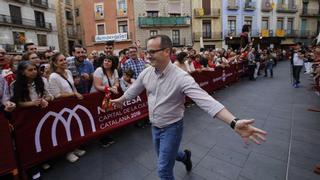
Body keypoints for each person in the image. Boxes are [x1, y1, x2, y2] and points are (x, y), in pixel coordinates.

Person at [111, 35, 267, 180]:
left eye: (152, 51)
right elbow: (134, 89)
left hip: (172, 128)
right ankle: (185, 157)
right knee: (167, 157)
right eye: (146, 51)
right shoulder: (146, 73)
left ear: (166, 52)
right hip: (155, 127)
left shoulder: (181, 77)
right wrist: (121, 100)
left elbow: (206, 100)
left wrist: (234, 122)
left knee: (163, 170)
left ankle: (182, 158)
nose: (147, 55)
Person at [11, 61, 53, 180]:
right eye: (30, 70)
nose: (34, 71)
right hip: (25, 118)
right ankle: (32, 166)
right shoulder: (15, 85)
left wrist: (46, 99)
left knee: (42, 138)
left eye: (35, 69)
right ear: (22, 72)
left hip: (41, 115)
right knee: (28, 141)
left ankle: (43, 160)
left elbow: (49, 95)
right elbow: (17, 103)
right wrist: (32, 103)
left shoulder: (42, 81)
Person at [48, 52, 86, 163]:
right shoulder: (53, 76)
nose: (64, 61)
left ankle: (74, 148)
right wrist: (74, 94)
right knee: (64, 129)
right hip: (61, 106)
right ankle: (67, 152)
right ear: (55, 63)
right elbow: (57, 95)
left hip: (72, 104)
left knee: (73, 126)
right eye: (61, 60)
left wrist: (75, 93)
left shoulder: (69, 72)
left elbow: (72, 87)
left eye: (64, 59)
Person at [91, 55, 119, 147]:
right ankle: (102, 138)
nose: (106, 62)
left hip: (108, 96)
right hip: (97, 97)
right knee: (100, 117)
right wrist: (110, 89)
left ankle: (107, 134)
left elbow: (116, 82)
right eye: (105, 60)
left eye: (109, 61)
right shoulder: (99, 70)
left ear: (113, 63)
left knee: (107, 115)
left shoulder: (114, 70)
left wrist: (115, 86)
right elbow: (97, 86)